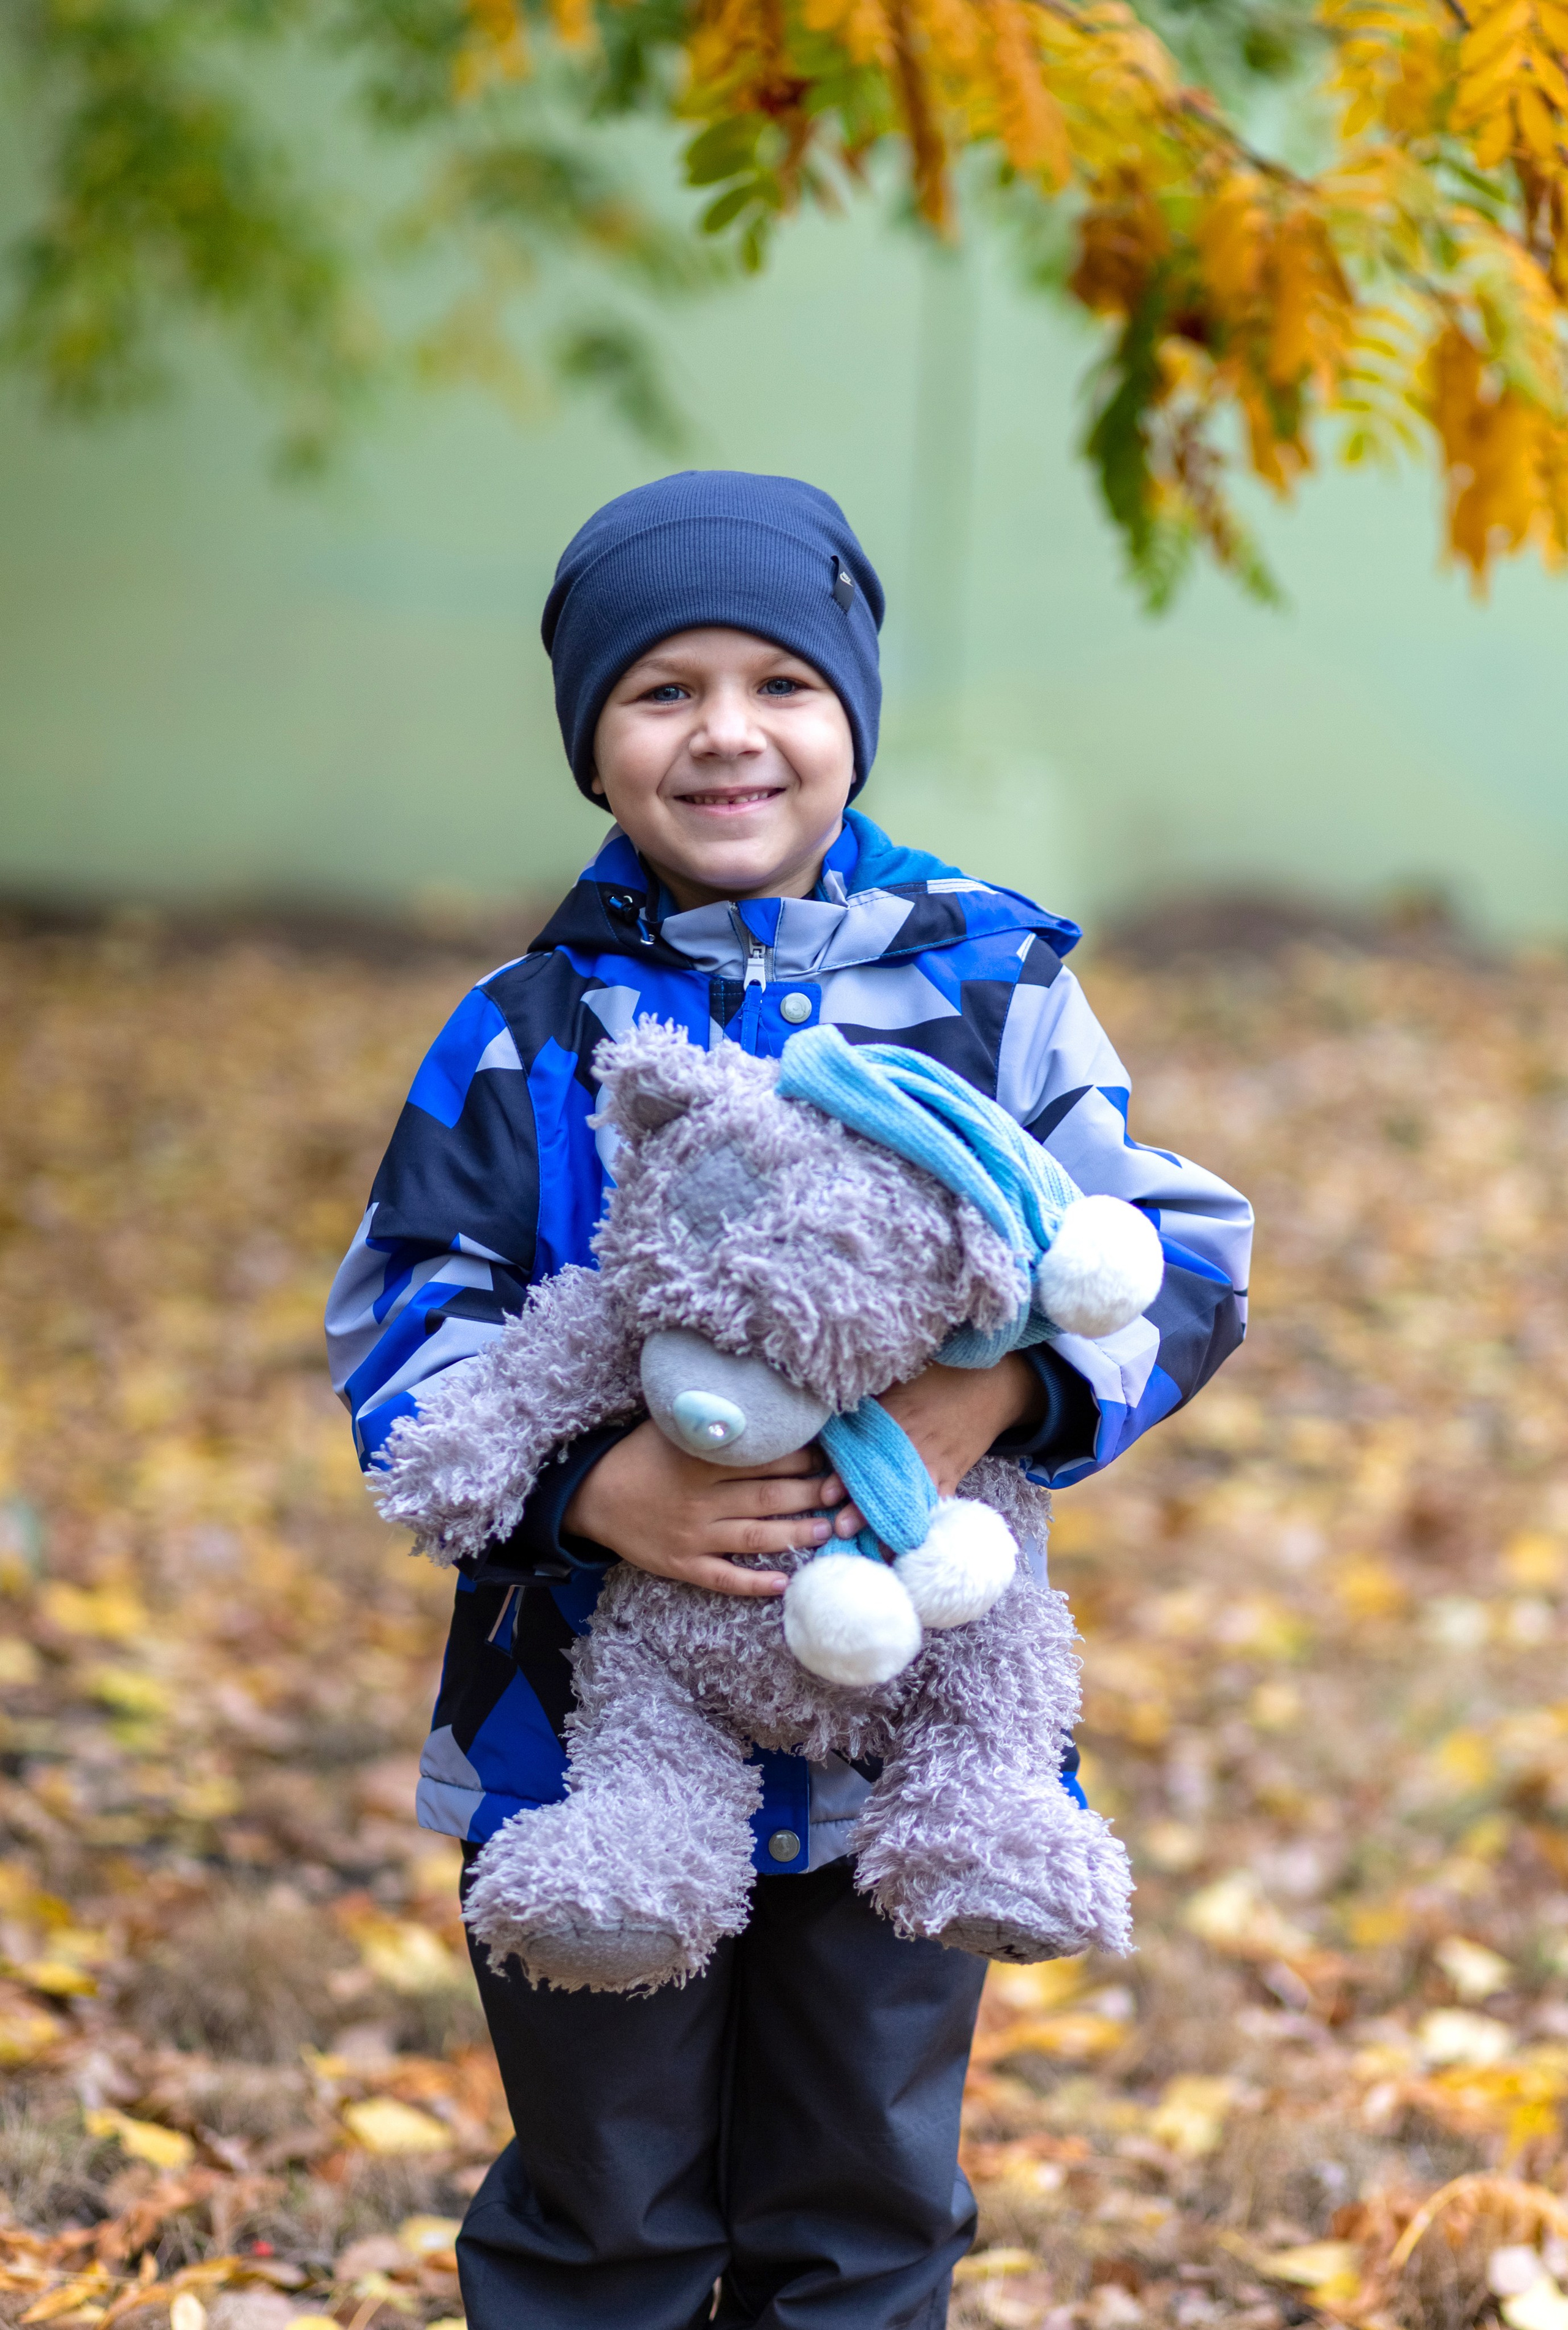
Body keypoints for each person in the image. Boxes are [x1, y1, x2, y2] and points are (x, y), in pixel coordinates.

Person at [324, 470, 1254, 2330]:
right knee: (606, 2203)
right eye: (662, 691)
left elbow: (1179, 1252)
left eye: (781, 684)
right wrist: (591, 1489)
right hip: (585, 1733)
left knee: (866, 2201)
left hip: (906, 1732)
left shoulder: (993, 987)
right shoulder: (526, 1028)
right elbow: (408, 1311)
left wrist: (999, 1393)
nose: (727, 733)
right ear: (592, 743)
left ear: (854, 716)